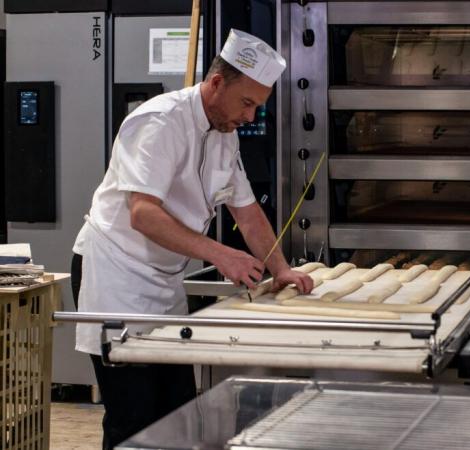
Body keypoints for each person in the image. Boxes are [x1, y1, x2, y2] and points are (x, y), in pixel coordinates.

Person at [70, 29, 313, 450]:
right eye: (247, 102)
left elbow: (247, 211)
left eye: (258, 106)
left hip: (164, 282)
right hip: (117, 280)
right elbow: (143, 214)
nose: (251, 116)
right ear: (217, 83)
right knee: (134, 419)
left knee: (178, 414)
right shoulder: (159, 121)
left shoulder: (226, 133)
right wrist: (223, 255)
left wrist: (281, 269)